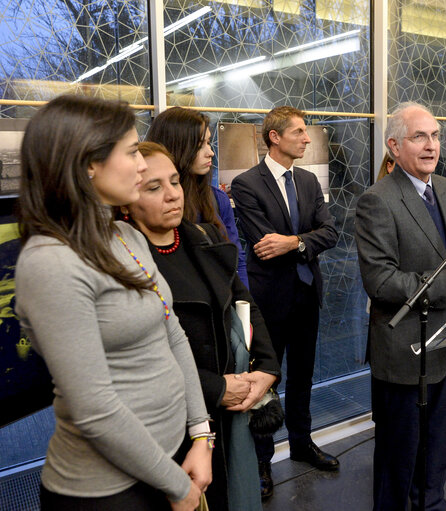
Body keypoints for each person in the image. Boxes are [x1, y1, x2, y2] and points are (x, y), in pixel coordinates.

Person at [14, 94, 212, 511]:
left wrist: (199, 433)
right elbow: (94, 409)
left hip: (171, 461)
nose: (143, 164)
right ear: (88, 164)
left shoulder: (126, 236)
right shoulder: (51, 262)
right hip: (108, 491)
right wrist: (175, 484)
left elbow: (171, 332)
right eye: (130, 152)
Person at [122, 142, 281, 510]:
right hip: (172, 426)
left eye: (175, 182)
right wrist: (213, 389)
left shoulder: (203, 239)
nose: (172, 195)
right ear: (127, 198)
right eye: (153, 187)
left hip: (228, 415)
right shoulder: (126, 260)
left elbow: (244, 302)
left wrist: (268, 369)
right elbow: (141, 356)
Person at [355, 102, 446, 510]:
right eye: (419, 137)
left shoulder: (445, 188)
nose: (432, 146)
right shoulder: (377, 200)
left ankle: (432, 504)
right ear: (394, 145)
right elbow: (380, 281)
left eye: (436, 136)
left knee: (436, 451)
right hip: (404, 351)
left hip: (445, 343)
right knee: (399, 459)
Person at [230, 106, 339, 488]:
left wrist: (293, 241)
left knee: (303, 377)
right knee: (265, 382)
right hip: (269, 302)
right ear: (274, 137)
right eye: (298, 132)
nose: (307, 139)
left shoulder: (309, 181)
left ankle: (301, 443)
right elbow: (263, 245)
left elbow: (330, 232)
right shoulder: (246, 184)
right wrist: (304, 241)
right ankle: (262, 461)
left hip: (307, 294)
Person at [145, 106, 249, 288]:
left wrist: (244, 307)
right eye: (200, 145)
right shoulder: (150, 204)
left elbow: (236, 260)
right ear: (177, 146)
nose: (210, 152)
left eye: (208, 143)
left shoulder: (217, 199)